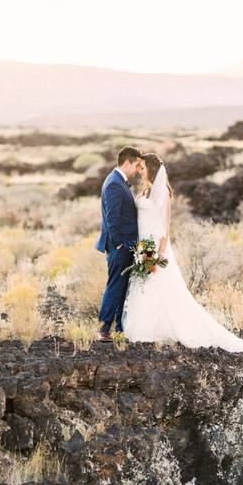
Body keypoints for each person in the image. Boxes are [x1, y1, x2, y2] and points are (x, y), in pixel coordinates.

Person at [120, 153, 243, 354]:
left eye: (142, 167)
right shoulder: (143, 191)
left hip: (153, 248)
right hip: (141, 245)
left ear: (151, 169)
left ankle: (156, 329)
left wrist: (157, 255)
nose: (139, 170)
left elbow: (165, 229)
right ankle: (144, 327)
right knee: (142, 286)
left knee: (158, 286)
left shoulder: (163, 194)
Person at [94, 146, 142, 341]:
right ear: (127, 162)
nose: (138, 169)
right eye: (137, 165)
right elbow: (112, 218)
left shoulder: (117, 181)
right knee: (115, 284)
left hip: (124, 244)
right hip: (119, 245)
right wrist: (120, 244)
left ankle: (119, 327)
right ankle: (104, 328)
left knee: (121, 285)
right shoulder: (114, 183)